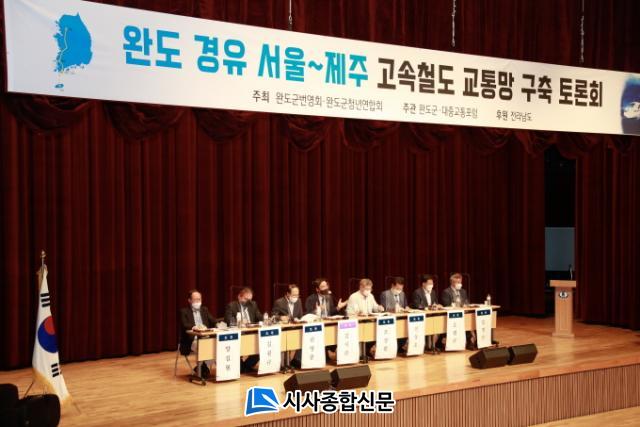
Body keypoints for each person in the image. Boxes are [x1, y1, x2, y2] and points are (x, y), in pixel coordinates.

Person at [179, 289, 217, 378]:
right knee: (204, 347)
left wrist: (220, 324)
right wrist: (194, 327)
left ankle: (202, 368)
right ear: (189, 300)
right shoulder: (184, 311)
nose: (198, 302)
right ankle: (203, 368)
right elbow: (185, 325)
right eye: (195, 299)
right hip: (192, 340)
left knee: (216, 345)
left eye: (199, 299)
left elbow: (213, 321)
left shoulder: (204, 310)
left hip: (206, 337)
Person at [224, 287, 261, 372]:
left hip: (252, 333)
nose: (248, 302)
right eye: (245, 299)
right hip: (238, 335)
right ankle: (241, 367)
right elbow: (228, 320)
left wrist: (267, 320)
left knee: (262, 345)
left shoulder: (253, 305)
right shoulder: (232, 306)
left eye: (249, 300)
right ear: (239, 297)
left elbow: (259, 317)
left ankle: (246, 366)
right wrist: (240, 323)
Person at [440, 273, 476, 350]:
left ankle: (470, 342)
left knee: (470, 321)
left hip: (463, 314)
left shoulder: (463, 291)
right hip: (451, 316)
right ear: (452, 282)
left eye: (460, 282)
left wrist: (465, 305)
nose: (459, 284)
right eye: (457, 282)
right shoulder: (446, 292)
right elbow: (446, 304)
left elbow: (467, 302)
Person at [410, 275, 442, 353]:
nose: (431, 285)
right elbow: (417, 305)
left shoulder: (433, 292)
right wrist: (429, 307)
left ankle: (432, 345)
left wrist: (437, 306)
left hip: (432, 316)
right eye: (429, 283)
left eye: (432, 283)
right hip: (422, 316)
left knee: (438, 323)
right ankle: (428, 346)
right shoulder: (417, 292)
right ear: (423, 284)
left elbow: (435, 303)